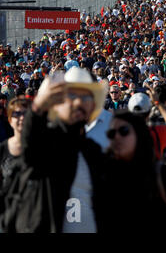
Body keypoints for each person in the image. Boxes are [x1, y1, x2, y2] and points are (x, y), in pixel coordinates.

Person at [10, 67, 108, 232]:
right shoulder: (47, 143)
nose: (78, 102)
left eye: (85, 97)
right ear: (57, 103)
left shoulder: (93, 151)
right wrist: (38, 108)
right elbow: (31, 147)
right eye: (71, 95)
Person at [0, 98, 31, 196]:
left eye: (25, 114)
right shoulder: (2, 149)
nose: (22, 118)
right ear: (9, 119)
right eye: (17, 114)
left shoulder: (40, 148)